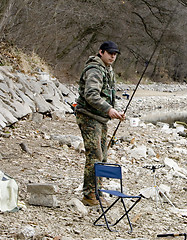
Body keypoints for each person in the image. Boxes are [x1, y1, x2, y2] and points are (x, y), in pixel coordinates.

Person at [75, 41, 125, 206]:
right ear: (101, 52)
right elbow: (91, 94)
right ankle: (89, 195)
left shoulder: (108, 70)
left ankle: (98, 191)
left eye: (115, 54)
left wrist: (115, 111)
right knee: (94, 155)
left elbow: (109, 94)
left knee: (103, 155)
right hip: (88, 117)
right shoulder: (95, 70)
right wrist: (109, 110)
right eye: (110, 53)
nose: (112, 56)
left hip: (100, 118)